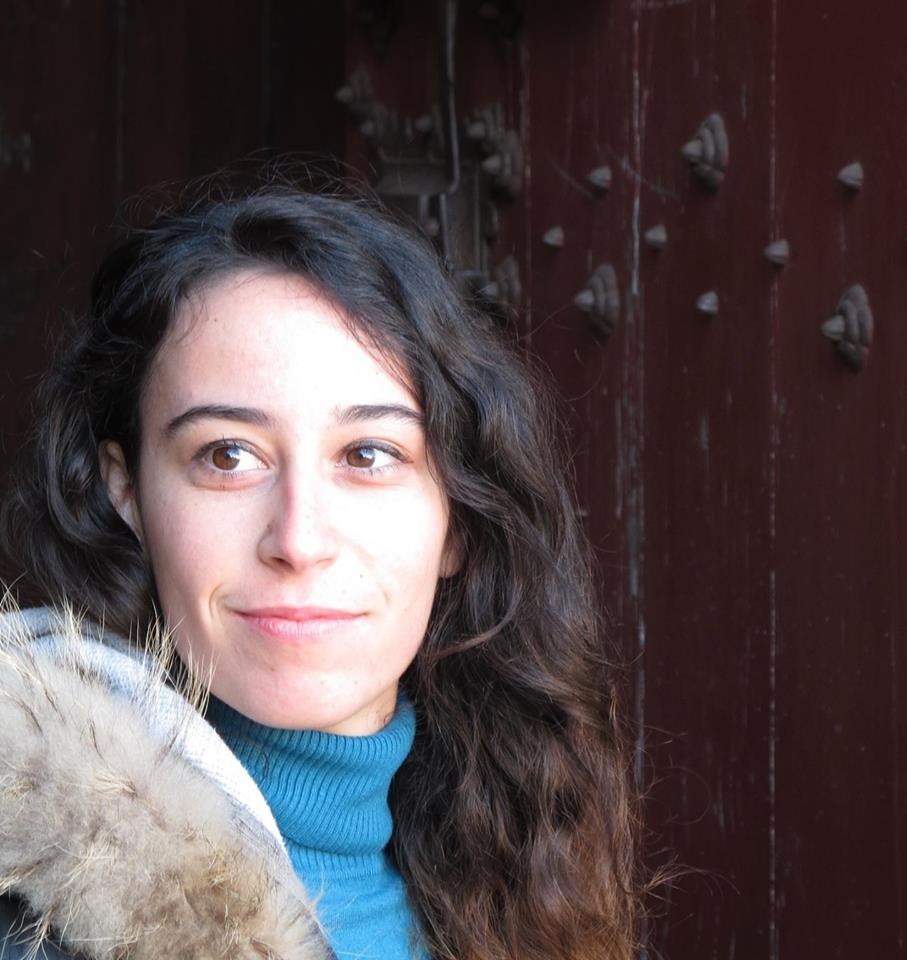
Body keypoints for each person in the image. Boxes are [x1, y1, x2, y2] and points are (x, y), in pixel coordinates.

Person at [0, 182, 637, 960]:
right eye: (227, 456)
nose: (298, 540)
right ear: (126, 491)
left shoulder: (529, 887)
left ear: (459, 521)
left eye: (368, 455)